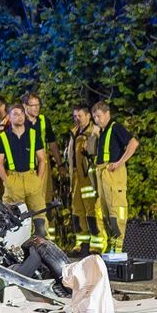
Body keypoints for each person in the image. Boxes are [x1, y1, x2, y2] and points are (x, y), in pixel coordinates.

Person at [87, 99, 138, 245]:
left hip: (113, 174)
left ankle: (120, 246)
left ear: (107, 113)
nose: (96, 120)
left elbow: (133, 143)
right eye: (94, 117)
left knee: (117, 211)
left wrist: (119, 162)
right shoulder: (101, 132)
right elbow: (90, 151)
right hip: (102, 174)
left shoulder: (115, 127)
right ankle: (114, 245)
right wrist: (94, 135)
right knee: (106, 212)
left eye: (99, 116)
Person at [0, 103, 47, 215]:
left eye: (21, 113)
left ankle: (40, 233)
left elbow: (42, 159)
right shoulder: (3, 137)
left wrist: (39, 180)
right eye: (15, 114)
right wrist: (7, 181)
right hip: (13, 179)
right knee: (13, 218)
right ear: (9, 117)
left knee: (39, 218)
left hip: (31, 178)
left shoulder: (33, 134)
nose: (19, 116)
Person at [63, 104, 94, 244]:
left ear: (88, 116)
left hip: (88, 177)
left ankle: (96, 242)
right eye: (74, 116)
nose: (77, 119)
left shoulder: (94, 132)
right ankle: (81, 242)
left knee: (91, 209)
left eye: (79, 116)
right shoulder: (74, 132)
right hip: (75, 176)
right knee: (77, 210)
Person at [23, 92, 53, 209]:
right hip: (26, 164)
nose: (36, 108)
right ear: (25, 106)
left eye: (38, 105)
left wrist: (59, 163)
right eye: (33, 105)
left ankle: (44, 224)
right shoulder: (20, 121)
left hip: (42, 161)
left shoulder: (44, 120)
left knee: (44, 195)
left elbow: (52, 142)